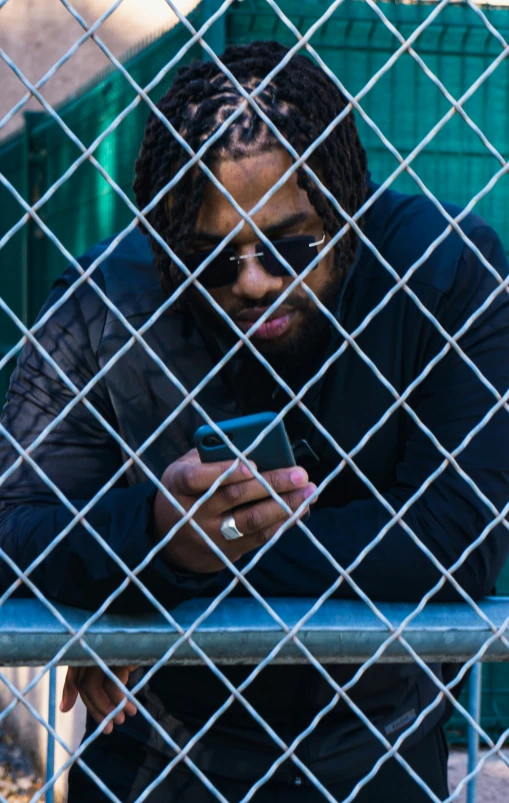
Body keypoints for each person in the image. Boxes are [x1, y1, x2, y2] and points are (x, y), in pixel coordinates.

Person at [0, 39, 508, 803]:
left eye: (290, 244)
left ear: (348, 207)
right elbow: (18, 518)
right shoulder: (104, 298)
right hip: (156, 748)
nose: (255, 280)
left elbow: (458, 533)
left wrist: (160, 574)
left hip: (376, 746)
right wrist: (157, 535)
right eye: (212, 257)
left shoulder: (441, 267)